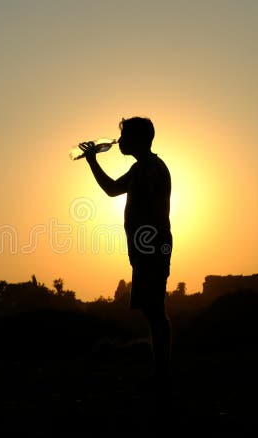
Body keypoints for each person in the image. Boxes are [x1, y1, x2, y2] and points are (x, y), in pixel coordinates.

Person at [79, 116, 173, 394]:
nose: (119, 141)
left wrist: (93, 161)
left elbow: (133, 201)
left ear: (139, 140)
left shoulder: (149, 170)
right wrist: (92, 161)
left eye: (125, 137)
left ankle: (161, 375)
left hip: (151, 247)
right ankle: (161, 372)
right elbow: (112, 191)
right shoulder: (143, 167)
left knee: (154, 310)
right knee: (151, 309)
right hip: (147, 247)